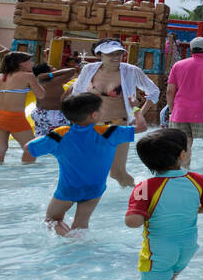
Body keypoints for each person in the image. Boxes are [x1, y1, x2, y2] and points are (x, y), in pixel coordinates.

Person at [126, 128, 203, 280]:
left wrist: (140, 206)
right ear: (182, 155)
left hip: (159, 253)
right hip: (187, 248)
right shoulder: (197, 179)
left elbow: (133, 222)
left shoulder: (144, 187)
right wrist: (194, 210)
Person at [26, 92, 135, 235]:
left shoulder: (60, 135)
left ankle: (69, 240)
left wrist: (45, 139)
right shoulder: (108, 132)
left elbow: (29, 147)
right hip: (95, 189)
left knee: (52, 219)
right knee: (81, 225)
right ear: (94, 115)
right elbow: (142, 127)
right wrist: (135, 108)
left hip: (69, 189)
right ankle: (78, 244)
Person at [71, 39, 160, 187]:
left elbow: (153, 92)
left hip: (119, 125)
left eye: (118, 53)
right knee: (86, 168)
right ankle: (91, 202)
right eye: (110, 54)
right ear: (99, 55)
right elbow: (77, 94)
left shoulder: (131, 71)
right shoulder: (89, 69)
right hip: (91, 127)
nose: (115, 57)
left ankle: (141, 196)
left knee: (117, 173)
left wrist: (139, 114)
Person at [164, 36, 203, 168]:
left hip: (180, 112)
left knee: (184, 145)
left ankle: (184, 173)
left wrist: (172, 110)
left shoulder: (178, 65)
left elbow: (170, 91)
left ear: (192, 50)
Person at [30, 62, 78, 137]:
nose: (54, 68)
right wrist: (51, 74)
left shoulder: (36, 81)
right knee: (60, 139)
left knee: (41, 140)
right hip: (54, 116)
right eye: (51, 67)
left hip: (38, 113)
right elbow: (72, 70)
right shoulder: (54, 80)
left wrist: (47, 75)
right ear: (47, 71)